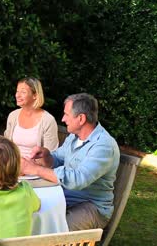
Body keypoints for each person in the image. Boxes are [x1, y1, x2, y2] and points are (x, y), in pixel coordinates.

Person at [23, 93, 120, 231]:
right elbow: (58, 158)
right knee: (30, 213)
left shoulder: (103, 146)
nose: (63, 119)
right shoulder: (74, 137)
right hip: (66, 197)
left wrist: (36, 170)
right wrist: (47, 156)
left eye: (66, 114)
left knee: (53, 230)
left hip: (91, 207)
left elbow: (78, 179)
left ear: (81, 118)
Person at [4, 77, 59, 158]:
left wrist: (29, 166)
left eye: (23, 92)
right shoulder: (13, 116)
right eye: (17, 91)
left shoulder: (48, 120)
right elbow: (5, 145)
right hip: (12, 165)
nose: (17, 95)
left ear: (35, 95)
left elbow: (51, 155)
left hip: (35, 168)